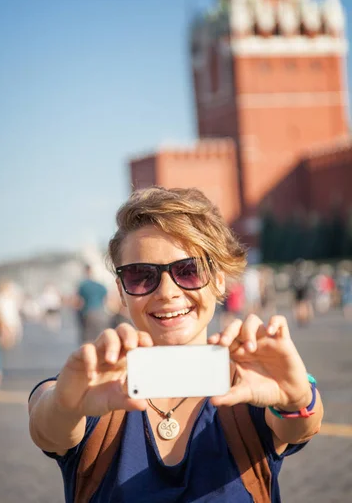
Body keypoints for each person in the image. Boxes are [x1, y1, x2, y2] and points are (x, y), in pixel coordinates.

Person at [29, 187, 323, 503]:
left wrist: (295, 399)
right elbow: (49, 427)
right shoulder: (90, 387)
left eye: (189, 270)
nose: (167, 292)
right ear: (122, 291)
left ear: (219, 279)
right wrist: (65, 405)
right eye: (141, 276)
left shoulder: (252, 381)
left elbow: (301, 425)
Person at [75, 264, 108, 343]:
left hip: (88, 313)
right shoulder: (100, 285)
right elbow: (106, 298)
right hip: (101, 312)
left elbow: (79, 302)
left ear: (85, 272)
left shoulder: (83, 285)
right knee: (101, 336)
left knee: (88, 338)